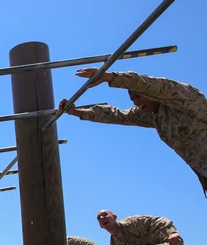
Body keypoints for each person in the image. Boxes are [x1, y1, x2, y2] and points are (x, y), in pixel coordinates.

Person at [59, 69, 207, 197]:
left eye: (138, 96)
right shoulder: (153, 115)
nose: (135, 102)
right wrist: (77, 112)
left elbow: (152, 85)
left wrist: (109, 77)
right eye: (132, 99)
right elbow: (117, 115)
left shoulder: (186, 99)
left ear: (150, 94)